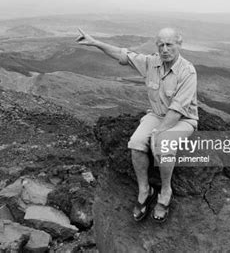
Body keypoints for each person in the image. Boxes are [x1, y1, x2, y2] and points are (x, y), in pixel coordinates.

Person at [76, 27, 198, 223]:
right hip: (157, 115)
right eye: (161, 45)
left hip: (183, 119)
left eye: (169, 44)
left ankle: (166, 191)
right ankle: (145, 189)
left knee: (163, 144)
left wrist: (158, 133)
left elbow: (176, 110)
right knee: (136, 143)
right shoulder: (151, 63)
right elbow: (122, 54)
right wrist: (96, 43)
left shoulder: (188, 71)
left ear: (179, 44)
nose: (165, 49)